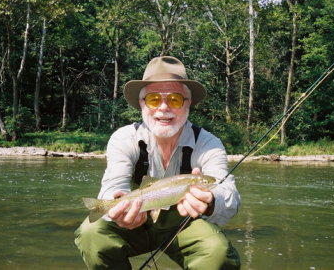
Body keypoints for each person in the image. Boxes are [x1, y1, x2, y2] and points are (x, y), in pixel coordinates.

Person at [75, 56, 241, 270]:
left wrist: (210, 202)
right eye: (154, 99)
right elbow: (112, 185)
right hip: (136, 220)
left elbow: (229, 196)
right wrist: (115, 206)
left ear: (188, 104)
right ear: (142, 104)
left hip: (184, 225)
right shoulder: (124, 138)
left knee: (219, 253)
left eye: (174, 99)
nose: (163, 108)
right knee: (92, 234)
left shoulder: (209, 143)